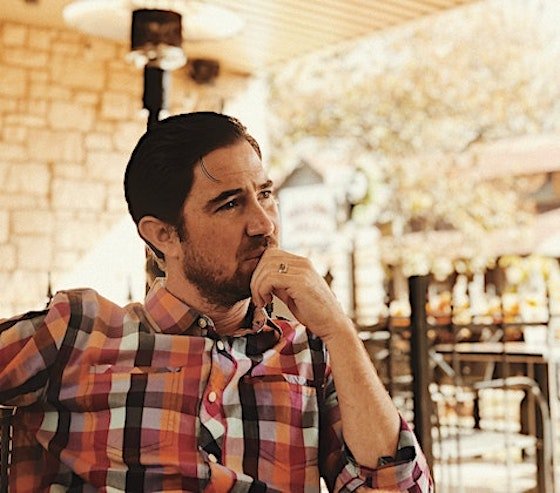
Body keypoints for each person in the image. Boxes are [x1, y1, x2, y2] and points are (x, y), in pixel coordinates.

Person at [0, 112, 432, 492]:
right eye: (230, 204)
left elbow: (399, 488)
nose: (263, 224)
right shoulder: (78, 333)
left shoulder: (312, 354)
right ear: (163, 235)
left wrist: (339, 329)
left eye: (265, 194)